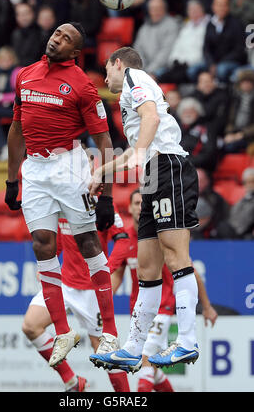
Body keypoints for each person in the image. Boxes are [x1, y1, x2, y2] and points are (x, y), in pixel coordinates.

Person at [5, 22, 119, 369]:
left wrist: (108, 196)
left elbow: (104, 142)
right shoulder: (25, 75)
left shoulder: (84, 86)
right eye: (57, 33)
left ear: (75, 53)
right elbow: (16, 129)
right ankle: (64, 331)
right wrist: (12, 181)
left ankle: (110, 329)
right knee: (42, 242)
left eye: (66, 38)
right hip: (35, 169)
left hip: (69, 163)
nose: (57, 39)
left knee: (87, 243)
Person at [88, 46, 200, 371]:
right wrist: (101, 172)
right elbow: (132, 153)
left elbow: (151, 117)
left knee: (176, 255)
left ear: (118, 63)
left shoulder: (135, 78)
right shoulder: (129, 98)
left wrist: (138, 152)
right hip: (153, 172)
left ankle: (187, 341)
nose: (105, 77)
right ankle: (133, 348)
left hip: (169, 166)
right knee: (148, 268)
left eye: (106, 70)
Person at [109, 189, 218, 392]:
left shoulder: (161, 236)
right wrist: (102, 305)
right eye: (135, 203)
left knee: (145, 358)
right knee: (149, 365)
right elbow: (116, 276)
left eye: (143, 202)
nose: (140, 207)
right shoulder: (125, 239)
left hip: (163, 308)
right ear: (129, 208)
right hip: (139, 310)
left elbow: (190, 272)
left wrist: (208, 306)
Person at [23, 207, 131, 392]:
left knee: (105, 350)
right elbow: (59, 240)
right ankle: (73, 382)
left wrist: (106, 269)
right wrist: (50, 260)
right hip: (64, 284)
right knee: (31, 326)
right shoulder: (61, 201)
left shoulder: (101, 204)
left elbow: (123, 242)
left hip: (92, 291)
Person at [156, 0, 209, 84]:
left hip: (196, 63)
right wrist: (174, 60)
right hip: (180, 64)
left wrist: (187, 62)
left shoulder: (208, 26)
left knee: (189, 72)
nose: (193, 13)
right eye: (191, 10)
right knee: (159, 73)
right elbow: (177, 46)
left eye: (196, 10)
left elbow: (203, 51)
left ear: (202, 10)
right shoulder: (187, 27)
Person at [203, 0, 246, 83]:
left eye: (224, 5)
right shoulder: (210, 24)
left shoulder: (237, 24)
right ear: (213, 7)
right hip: (214, 63)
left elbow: (239, 50)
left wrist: (219, 63)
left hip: (233, 62)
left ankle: (224, 91)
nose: (221, 8)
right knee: (194, 70)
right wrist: (211, 63)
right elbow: (206, 48)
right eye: (219, 5)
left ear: (228, 7)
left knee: (221, 70)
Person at [133, 0, 180, 78]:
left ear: (165, 9)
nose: (155, 12)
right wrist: (143, 70)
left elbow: (166, 52)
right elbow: (138, 50)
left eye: (159, 8)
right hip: (145, 69)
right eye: (153, 9)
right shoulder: (144, 27)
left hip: (165, 68)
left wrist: (150, 70)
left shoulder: (172, 25)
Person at [177, 97, 218, 172]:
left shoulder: (206, 129)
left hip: (198, 168)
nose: (188, 114)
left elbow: (209, 153)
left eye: (191, 111)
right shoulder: (175, 129)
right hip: (176, 167)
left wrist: (186, 163)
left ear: (198, 113)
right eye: (185, 111)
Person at [223, 69, 254, 153]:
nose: (246, 85)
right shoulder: (235, 98)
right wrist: (229, 133)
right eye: (243, 82)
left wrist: (241, 134)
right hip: (235, 132)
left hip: (249, 135)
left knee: (230, 147)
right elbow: (229, 120)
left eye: (249, 82)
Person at [190, 71, 228, 136]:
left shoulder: (222, 96)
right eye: (203, 82)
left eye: (209, 81)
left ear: (214, 83)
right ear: (198, 85)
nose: (206, 85)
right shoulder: (192, 97)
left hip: (216, 133)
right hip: (195, 131)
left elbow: (219, 118)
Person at [11, 2, 42, 67]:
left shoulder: (42, 33)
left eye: (26, 13)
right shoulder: (15, 34)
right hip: (20, 72)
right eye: (20, 14)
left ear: (33, 14)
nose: (23, 17)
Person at [227, 167, 254, 239]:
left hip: (246, 233)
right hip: (235, 231)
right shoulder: (242, 199)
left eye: (252, 181)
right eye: (246, 182)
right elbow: (232, 217)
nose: (249, 185)